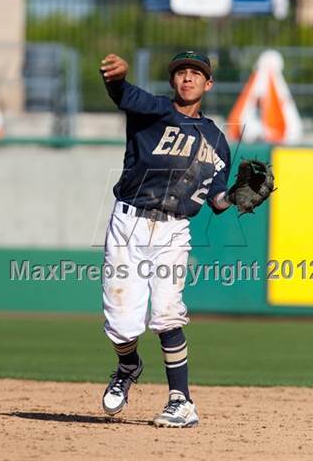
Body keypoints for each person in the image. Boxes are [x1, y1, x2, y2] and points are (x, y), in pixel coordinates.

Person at [99, 51, 234, 428]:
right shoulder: (152, 110)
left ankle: (181, 401)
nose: (188, 78)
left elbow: (217, 201)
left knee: (166, 313)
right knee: (122, 326)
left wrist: (239, 195)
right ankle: (128, 365)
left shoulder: (216, 140)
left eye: (196, 73)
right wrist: (115, 78)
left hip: (174, 229)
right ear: (173, 81)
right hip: (129, 224)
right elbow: (122, 93)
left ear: (208, 84)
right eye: (181, 72)